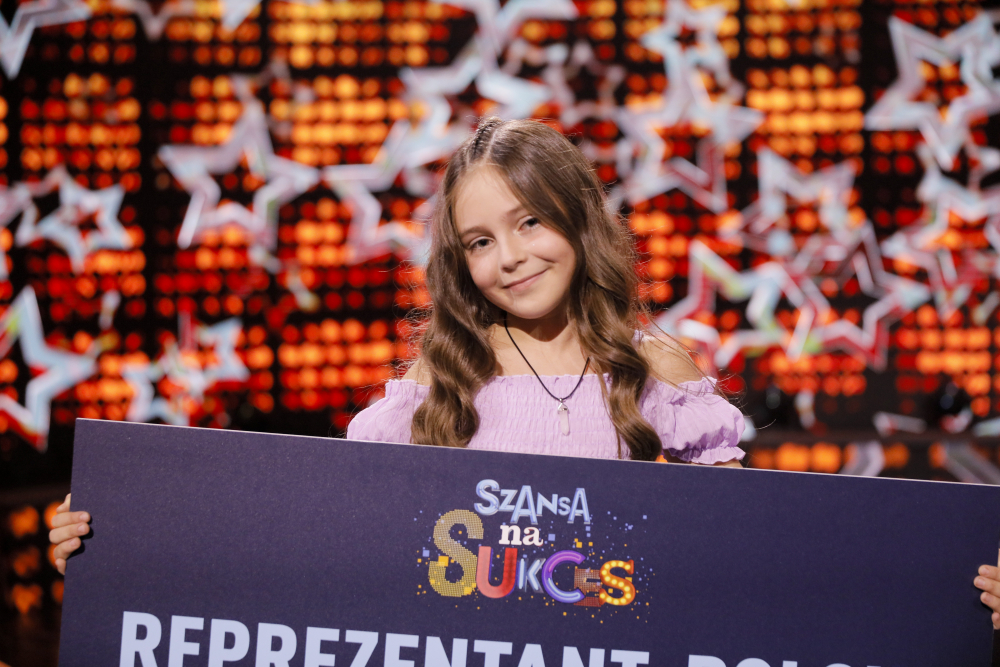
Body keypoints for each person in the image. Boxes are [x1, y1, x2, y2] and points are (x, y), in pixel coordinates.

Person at [49, 117, 1000, 628]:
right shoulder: (432, 390)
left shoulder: (658, 370)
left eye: (529, 221)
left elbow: (760, 555)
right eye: (478, 240)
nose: (507, 256)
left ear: (577, 218)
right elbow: (310, 538)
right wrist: (123, 546)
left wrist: (951, 587)